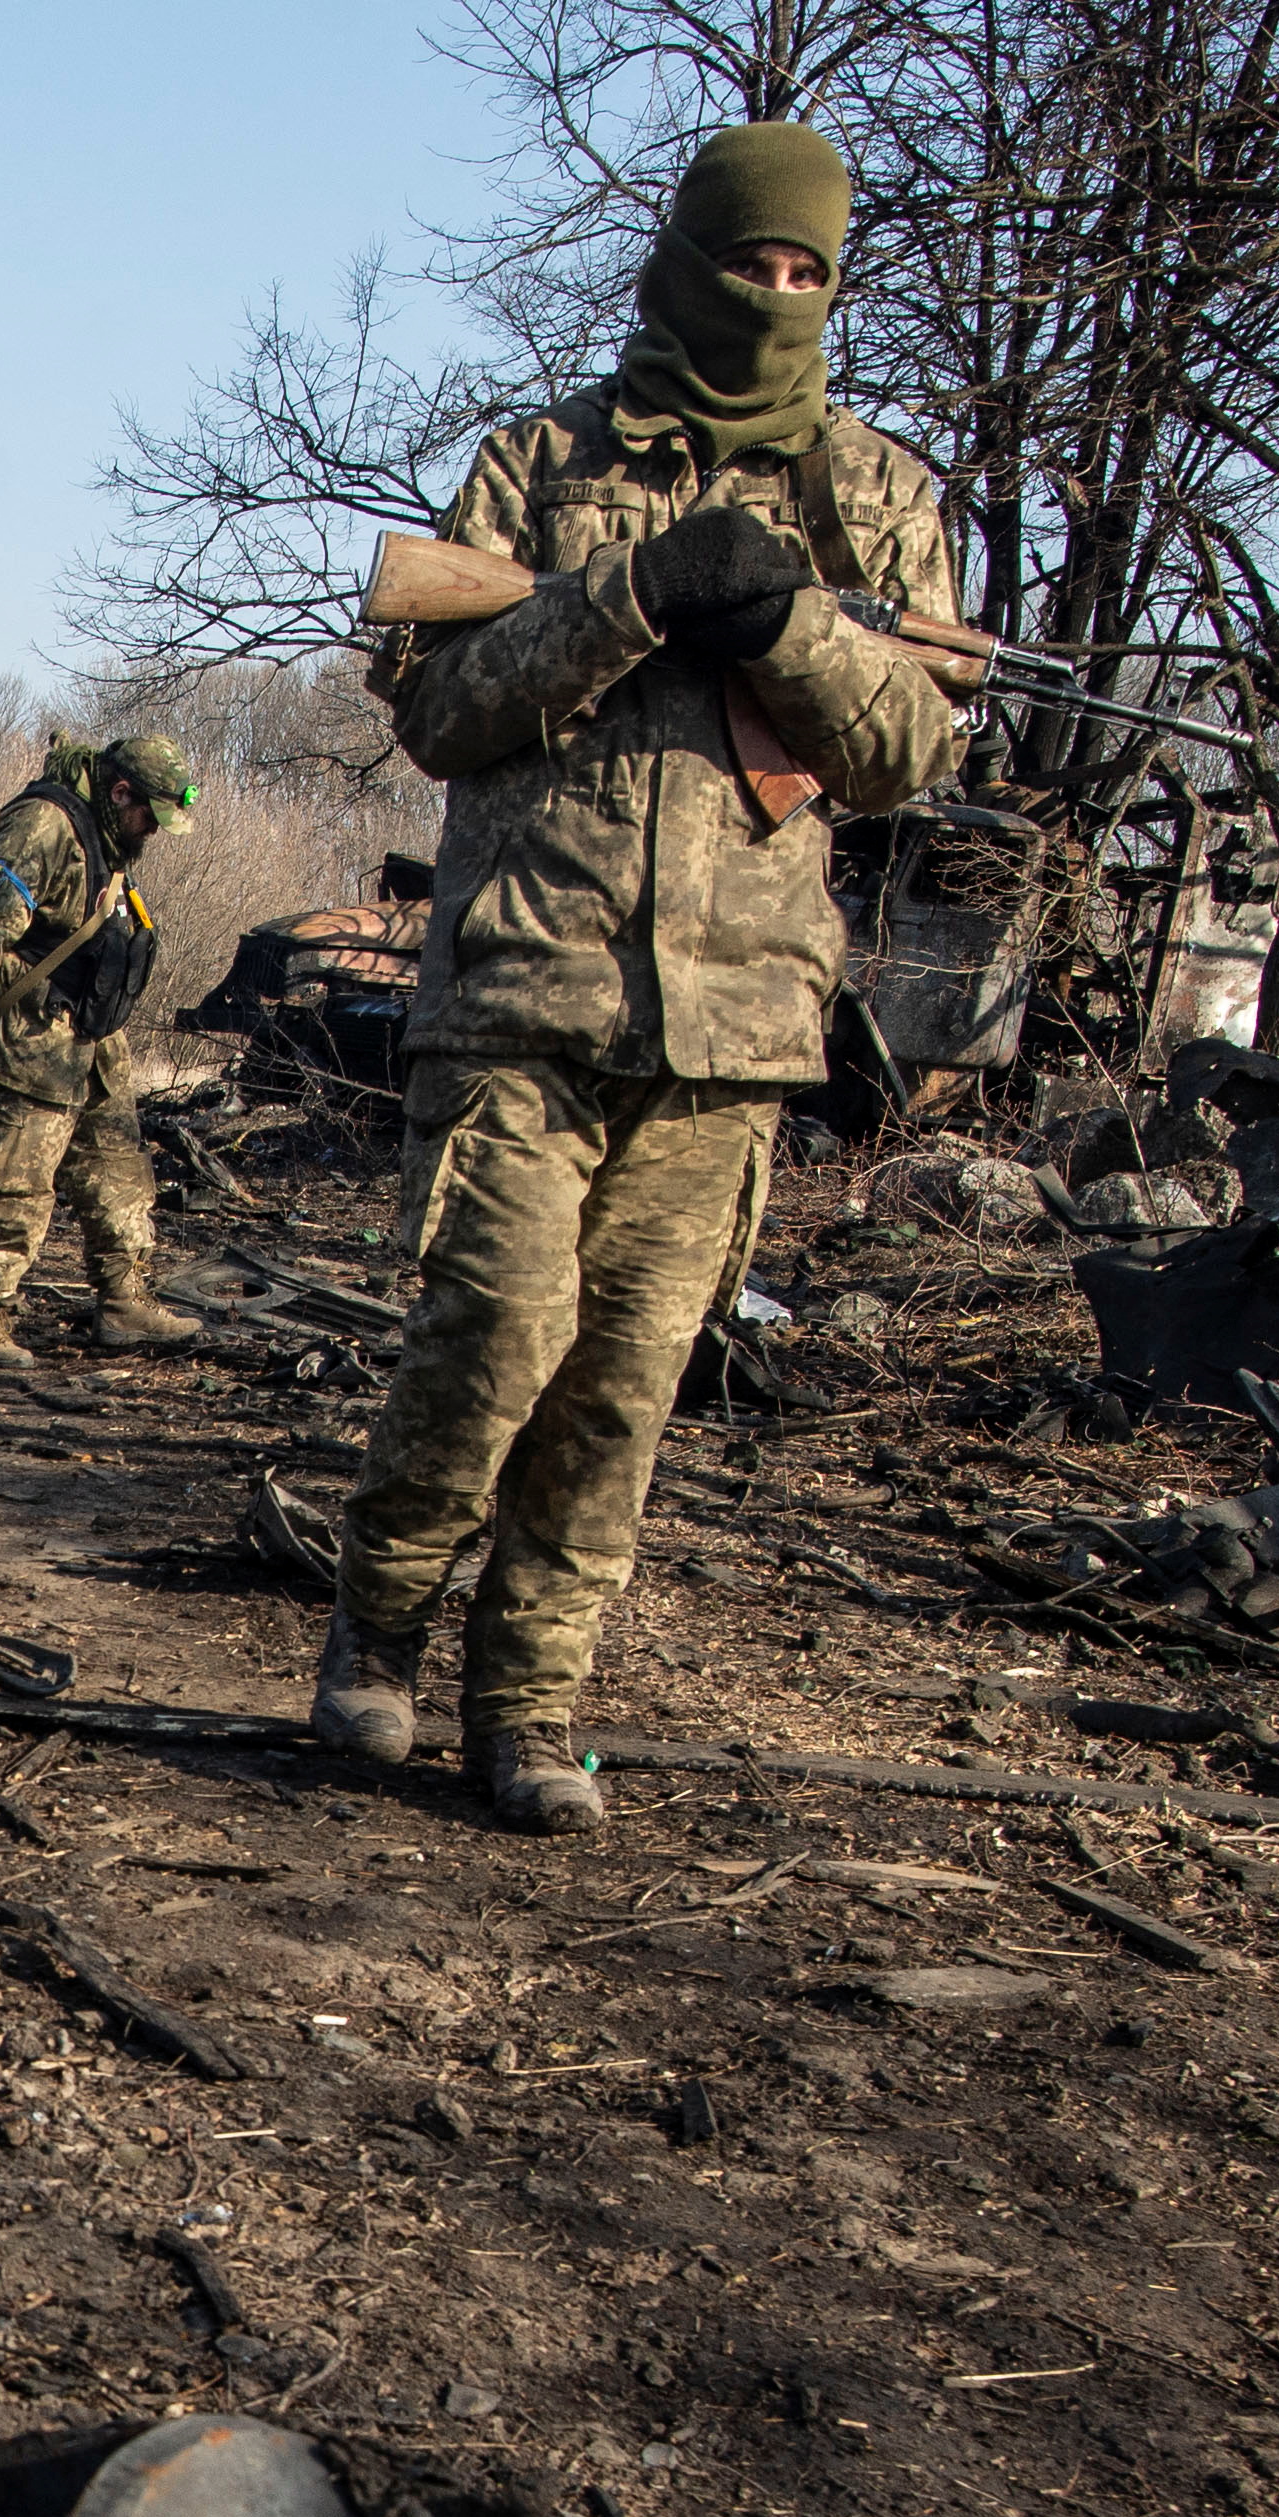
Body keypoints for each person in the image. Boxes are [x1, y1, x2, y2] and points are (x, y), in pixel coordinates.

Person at [313, 118, 962, 1831]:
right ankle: (375, 1633)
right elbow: (442, 710)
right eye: (748, 262)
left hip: (735, 1031)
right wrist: (632, 591)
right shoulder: (537, 461)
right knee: (489, 1343)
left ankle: (526, 1716)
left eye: (806, 273)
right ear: (683, 262)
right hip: (524, 996)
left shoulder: (874, 494)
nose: (773, 294)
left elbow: (906, 751)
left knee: (617, 1395)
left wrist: (790, 625)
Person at [0, 726, 205, 1371]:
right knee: (16, 1187)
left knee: (119, 1173)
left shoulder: (108, 835)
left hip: (89, 1039)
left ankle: (125, 1303)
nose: (154, 831)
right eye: (149, 815)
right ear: (120, 790)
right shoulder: (41, 828)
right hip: (26, 1039)